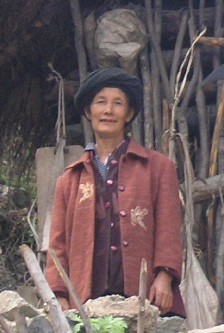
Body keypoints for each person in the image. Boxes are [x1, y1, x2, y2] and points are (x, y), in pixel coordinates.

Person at [46, 67, 186, 316]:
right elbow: (57, 246)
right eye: (101, 102)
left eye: (118, 104)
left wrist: (164, 277)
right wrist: (58, 294)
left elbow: (169, 230)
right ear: (89, 112)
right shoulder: (69, 180)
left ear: (129, 113)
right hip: (86, 303)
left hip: (145, 299)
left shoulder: (158, 168)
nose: (108, 110)